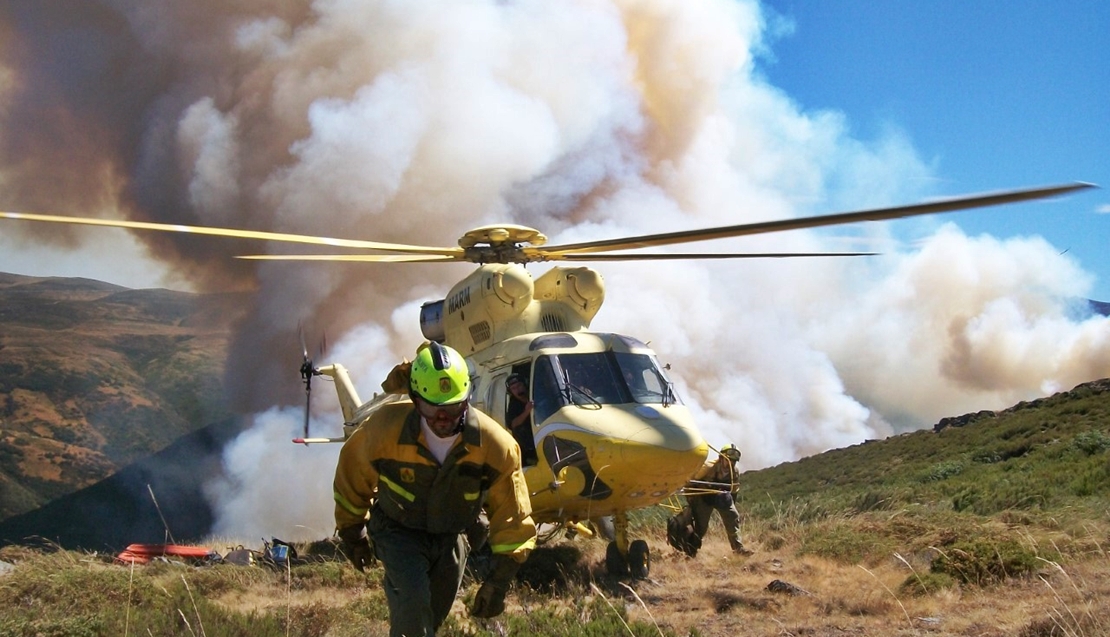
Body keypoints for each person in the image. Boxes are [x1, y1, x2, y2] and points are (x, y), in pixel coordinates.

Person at [333, 342, 537, 636]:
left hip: (452, 536)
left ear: (466, 399)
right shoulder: (383, 430)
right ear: (415, 400)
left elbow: (513, 519)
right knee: (413, 609)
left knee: (432, 619)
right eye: (432, 407)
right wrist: (353, 534)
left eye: (452, 407)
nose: (442, 418)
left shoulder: (495, 447)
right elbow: (351, 479)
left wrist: (498, 583)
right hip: (397, 531)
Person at [685, 444, 753, 556]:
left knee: (733, 518)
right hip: (704, 498)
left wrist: (731, 506)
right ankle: (691, 551)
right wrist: (692, 500)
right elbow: (690, 482)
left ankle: (738, 549)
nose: (731, 463)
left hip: (723, 499)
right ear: (721, 458)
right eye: (729, 460)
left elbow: (734, 490)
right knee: (701, 526)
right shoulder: (708, 467)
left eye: (734, 461)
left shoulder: (734, 472)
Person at [504, 373, 538, 467]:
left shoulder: (534, 395)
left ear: (525, 384)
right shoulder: (513, 405)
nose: (517, 390)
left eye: (519, 386)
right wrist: (527, 411)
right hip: (526, 447)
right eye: (514, 388)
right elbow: (513, 423)